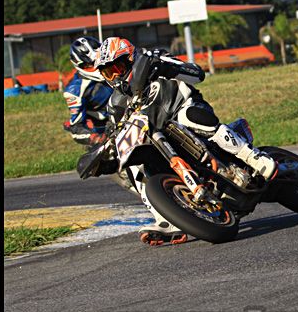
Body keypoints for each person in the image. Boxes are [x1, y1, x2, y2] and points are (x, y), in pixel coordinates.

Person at [93, 36, 277, 245]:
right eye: (108, 72)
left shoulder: (155, 59)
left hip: (185, 111)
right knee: (134, 167)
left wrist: (164, 68)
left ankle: (253, 157)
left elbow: (196, 73)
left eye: (117, 67)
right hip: (158, 138)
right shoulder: (115, 103)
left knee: (188, 117)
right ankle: (166, 218)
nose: (115, 75)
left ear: (130, 58)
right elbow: (114, 130)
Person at [62, 36, 114, 146]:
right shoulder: (74, 90)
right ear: (81, 65)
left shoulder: (115, 66)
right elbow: (76, 127)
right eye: (91, 64)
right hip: (108, 131)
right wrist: (95, 138)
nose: (98, 66)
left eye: (98, 60)